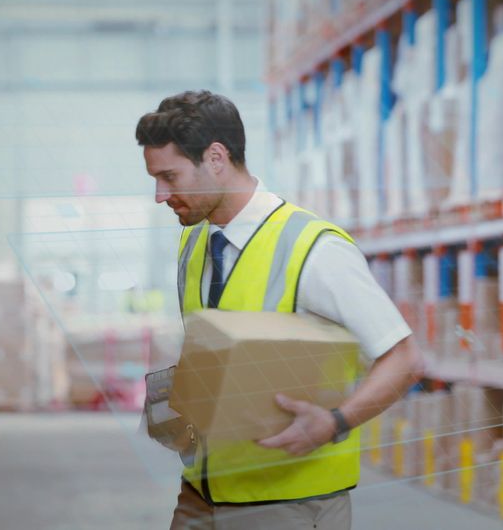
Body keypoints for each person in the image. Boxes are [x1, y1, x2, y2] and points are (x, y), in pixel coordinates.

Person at [136, 90, 424, 530]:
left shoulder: (314, 248)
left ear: (216, 158)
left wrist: (335, 422)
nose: (160, 195)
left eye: (170, 177)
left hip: (289, 503)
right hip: (201, 492)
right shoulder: (195, 240)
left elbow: (404, 360)